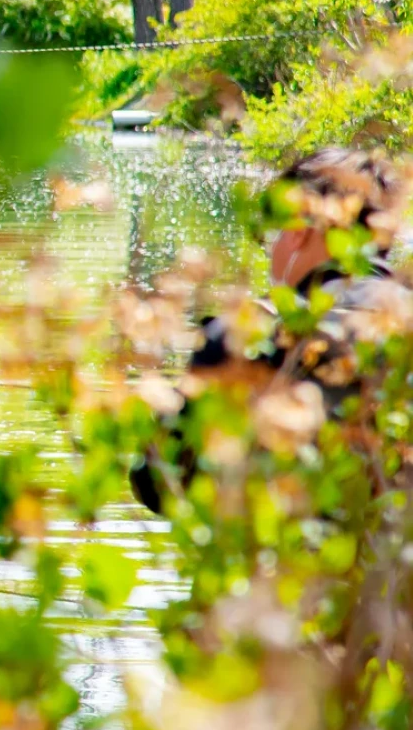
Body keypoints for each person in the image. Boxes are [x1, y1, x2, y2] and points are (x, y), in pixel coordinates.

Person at [131, 147, 409, 512]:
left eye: (272, 236)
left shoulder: (249, 340)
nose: (271, 253)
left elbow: (161, 485)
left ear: (299, 228)